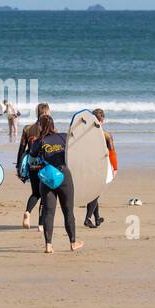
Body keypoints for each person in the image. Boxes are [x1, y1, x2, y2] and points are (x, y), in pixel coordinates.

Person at [27, 114, 83, 253]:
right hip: (64, 176)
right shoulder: (63, 137)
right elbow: (77, 149)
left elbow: (31, 160)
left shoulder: (38, 142)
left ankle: (49, 245)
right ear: (53, 125)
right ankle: (73, 243)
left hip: (47, 179)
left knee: (48, 212)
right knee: (68, 211)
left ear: (40, 126)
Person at [16, 102, 50, 229]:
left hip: (32, 166)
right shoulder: (49, 129)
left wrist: (18, 168)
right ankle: (41, 225)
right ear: (46, 113)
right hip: (45, 166)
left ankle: (28, 212)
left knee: (35, 193)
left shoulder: (27, 129)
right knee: (45, 195)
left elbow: (21, 149)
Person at [84, 108, 117, 228]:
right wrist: (115, 168)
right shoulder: (107, 135)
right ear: (103, 120)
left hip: (87, 165)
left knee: (94, 191)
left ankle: (97, 218)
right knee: (96, 192)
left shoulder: (84, 134)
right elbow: (112, 153)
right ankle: (88, 218)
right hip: (100, 166)